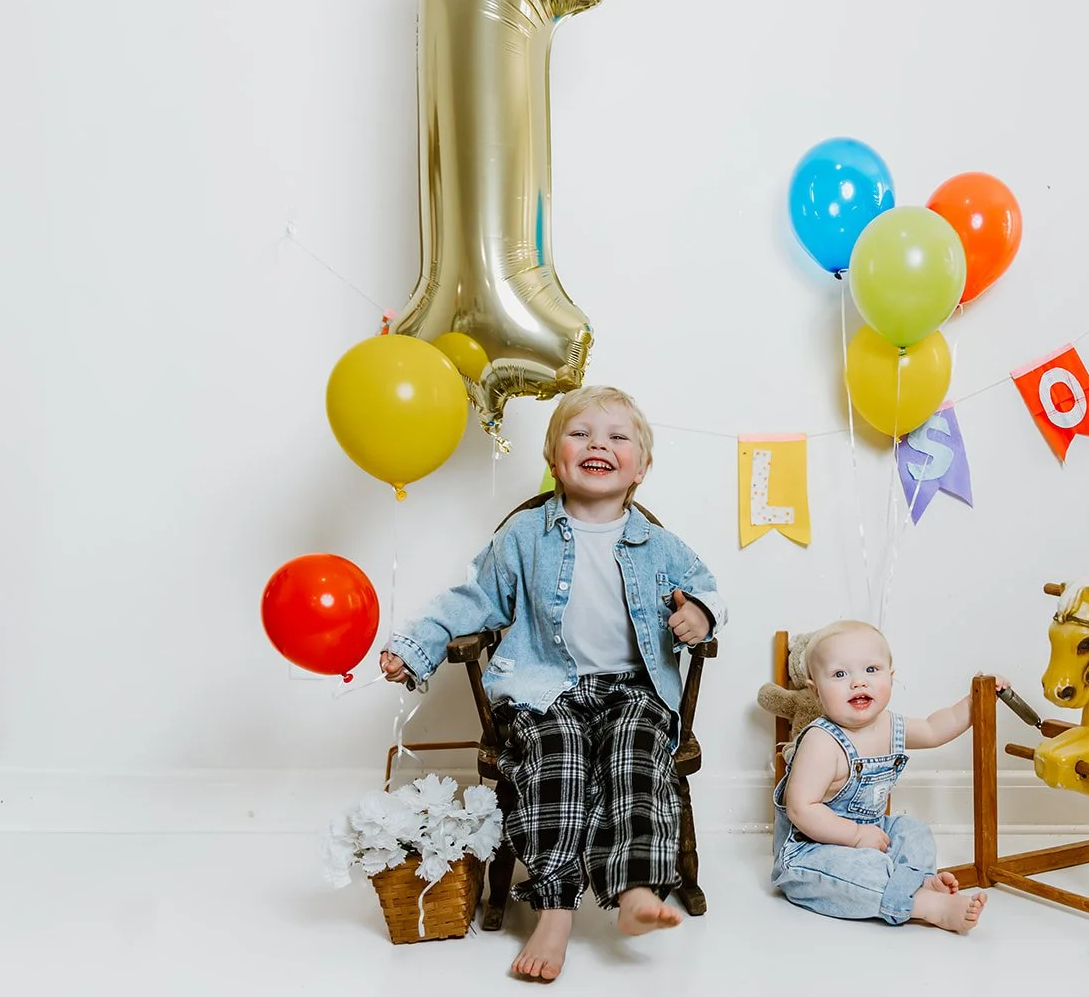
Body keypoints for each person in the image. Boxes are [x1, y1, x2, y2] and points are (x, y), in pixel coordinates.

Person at [380, 385, 726, 981]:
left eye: (617, 437)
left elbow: (708, 589)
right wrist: (418, 647)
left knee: (637, 753)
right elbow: (473, 601)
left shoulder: (659, 544)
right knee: (556, 756)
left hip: (634, 689)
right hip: (545, 687)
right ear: (554, 459)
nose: (598, 445)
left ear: (641, 468)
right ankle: (556, 907)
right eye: (580, 434)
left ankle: (635, 885)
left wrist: (699, 613)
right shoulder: (524, 537)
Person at [772, 619, 1002, 933]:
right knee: (859, 870)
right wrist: (855, 836)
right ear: (816, 691)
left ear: (890, 677)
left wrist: (974, 702)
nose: (858, 683)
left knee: (913, 832)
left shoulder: (888, 725)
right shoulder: (821, 741)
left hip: (872, 832)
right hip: (813, 850)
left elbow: (934, 729)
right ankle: (926, 905)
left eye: (871, 670)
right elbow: (801, 808)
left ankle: (919, 884)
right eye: (840, 674)